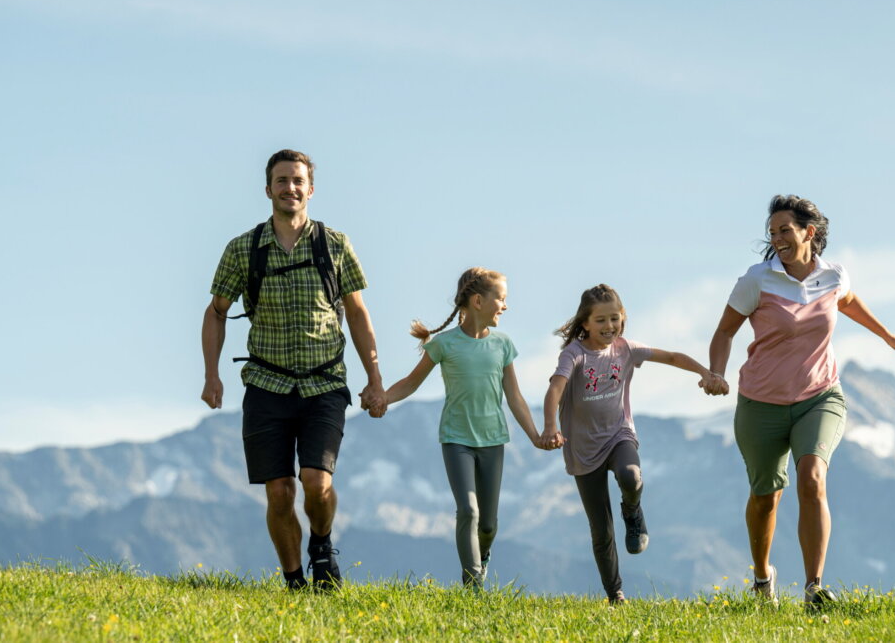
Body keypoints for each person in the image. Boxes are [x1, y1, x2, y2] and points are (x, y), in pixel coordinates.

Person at [705, 194, 895, 607]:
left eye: (785, 230)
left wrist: (887, 336)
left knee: (812, 478)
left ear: (809, 232)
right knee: (765, 496)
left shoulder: (833, 276)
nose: (777, 238)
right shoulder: (756, 280)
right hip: (761, 401)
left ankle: (813, 587)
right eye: (772, 232)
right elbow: (725, 332)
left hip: (819, 396)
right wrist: (716, 372)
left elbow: (850, 303)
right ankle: (763, 576)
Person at [200, 149, 387, 592]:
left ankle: (321, 548)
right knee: (280, 491)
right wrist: (212, 374)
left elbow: (357, 313)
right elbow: (216, 311)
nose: (290, 188)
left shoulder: (334, 244)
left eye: (298, 180)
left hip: (324, 382)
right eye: (282, 181)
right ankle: (294, 583)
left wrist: (374, 378)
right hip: (267, 384)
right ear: (268, 190)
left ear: (311, 188)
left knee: (316, 483)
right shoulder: (243, 249)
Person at [541, 284, 724, 605]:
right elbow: (555, 389)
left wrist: (705, 372)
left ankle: (633, 509)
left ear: (623, 318)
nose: (609, 326)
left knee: (631, 476)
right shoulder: (574, 354)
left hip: (618, 434)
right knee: (601, 530)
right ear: (585, 323)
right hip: (583, 447)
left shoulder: (626, 348)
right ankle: (616, 595)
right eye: (600, 320)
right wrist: (550, 426)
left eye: (614, 319)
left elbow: (671, 356)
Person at [383, 267, 550, 587]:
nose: (505, 305)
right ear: (477, 301)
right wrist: (382, 400)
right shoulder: (444, 345)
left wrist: (535, 436)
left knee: (487, 524)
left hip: (492, 440)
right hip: (456, 439)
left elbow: (514, 397)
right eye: (501, 299)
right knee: (468, 512)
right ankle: (472, 584)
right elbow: (410, 384)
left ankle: (482, 558)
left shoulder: (503, 345)